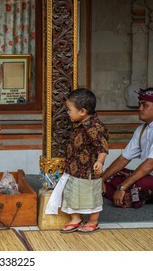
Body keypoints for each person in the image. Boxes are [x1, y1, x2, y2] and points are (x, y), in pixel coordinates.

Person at [47, 88, 109, 233]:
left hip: (88, 171)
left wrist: (100, 161)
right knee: (71, 194)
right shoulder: (80, 124)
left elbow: (102, 146)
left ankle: (93, 221)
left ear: (82, 111)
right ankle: (76, 219)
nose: (67, 112)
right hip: (74, 169)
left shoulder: (95, 127)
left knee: (90, 196)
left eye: (69, 110)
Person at [102, 87, 153, 208]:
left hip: (148, 177)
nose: (140, 109)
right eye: (139, 105)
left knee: (137, 184)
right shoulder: (142, 129)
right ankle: (126, 196)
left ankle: (127, 195)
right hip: (148, 175)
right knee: (112, 176)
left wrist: (122, 186)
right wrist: (102, 179)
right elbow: (124, 158)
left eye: (145, 105)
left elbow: (150, 164)